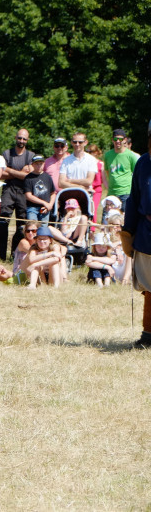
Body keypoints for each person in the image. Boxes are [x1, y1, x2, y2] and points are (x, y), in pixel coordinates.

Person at [121, 120, 151, 347]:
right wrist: (128, 231)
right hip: (147, 233)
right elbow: (134, 200)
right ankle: (149, 334)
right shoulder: (142, 163)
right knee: (150, 288)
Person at [0, 129, 34, 260]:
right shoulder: (6, 153)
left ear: (27, 140)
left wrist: (10, 171)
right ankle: (0, 255)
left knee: (22, 224)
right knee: (3, 222)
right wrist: (20, 173)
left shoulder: (31, 156)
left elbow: (29, 176)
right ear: (15, 138)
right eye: (19, 138)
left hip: (24, 191)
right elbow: (0, 174)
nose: (21, 141)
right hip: (8, 190)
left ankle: (15, 254)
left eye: (24, 139)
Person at [104, 128, 140, 207]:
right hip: (112, 192)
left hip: (126, 192)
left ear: (125, 140)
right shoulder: (107, 155)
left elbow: (137, 174)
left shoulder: (131, 155)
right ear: (112, 140)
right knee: (107, 217)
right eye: (115, 139)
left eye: (120, 139)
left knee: (125, 217)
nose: (117, 141)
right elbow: (107, 172)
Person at [23, 155, 56, 226]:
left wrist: (50, 205)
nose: (39, 166)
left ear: (44, 164)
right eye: (36, 164)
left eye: (40, 164)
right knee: (32, 226)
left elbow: (53, 193)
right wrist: (44, 203)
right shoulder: (28, 178)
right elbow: (28, 196)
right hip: (32, 208)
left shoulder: (47, 177)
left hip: (45, 208)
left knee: (43, 228)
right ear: (32, 165)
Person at [87, 143, 106, 218]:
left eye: (90, 152)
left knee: (94, 207)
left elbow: (104, 179)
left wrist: (109, 189)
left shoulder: (100, 163)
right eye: (88, 152)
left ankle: (93, 227)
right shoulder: (87, 163)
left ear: (95, 152)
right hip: (88, 187)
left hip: (97, 188)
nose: (89, 154)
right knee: (87, 207)